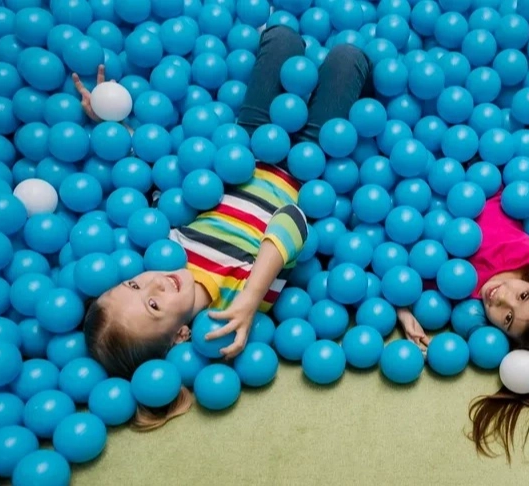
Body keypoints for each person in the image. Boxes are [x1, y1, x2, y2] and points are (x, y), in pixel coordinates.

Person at [75, 25, 373, 430]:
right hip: (309, 164)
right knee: (347, 57)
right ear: (181, 336)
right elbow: (293, 219)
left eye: (133, 285)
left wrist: (109, 123)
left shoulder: (169, 247)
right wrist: (251, 298)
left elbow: (157, 177)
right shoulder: (231, 306)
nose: (154, 284)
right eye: (153, 306)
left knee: (282, 39)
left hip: (248, 144)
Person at [396, 192, 529, 461]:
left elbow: (404, 276)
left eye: (508, 319)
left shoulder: (456, 295)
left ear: (509, 340)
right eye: (522, 296)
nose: (501, 298)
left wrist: (402, 312)